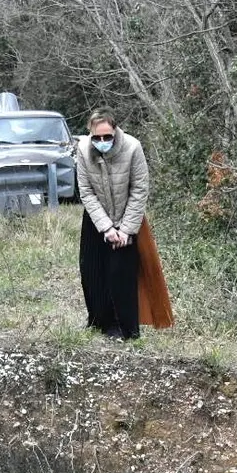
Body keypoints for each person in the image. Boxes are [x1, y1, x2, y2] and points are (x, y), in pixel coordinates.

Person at [76, 109, 172, 340]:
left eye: (107, 137)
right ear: (90, 134)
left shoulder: (132, 147)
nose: (102, 142)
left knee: (121, 274)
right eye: (97, 137)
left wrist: (126, 230)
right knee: (91, 271)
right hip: (97, 219)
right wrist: (106, 228)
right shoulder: (82, 150)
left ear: (115, 131)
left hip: (127, 216)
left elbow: (140, 190)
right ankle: (98, 322)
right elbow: (86, 191)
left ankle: (126, 329)